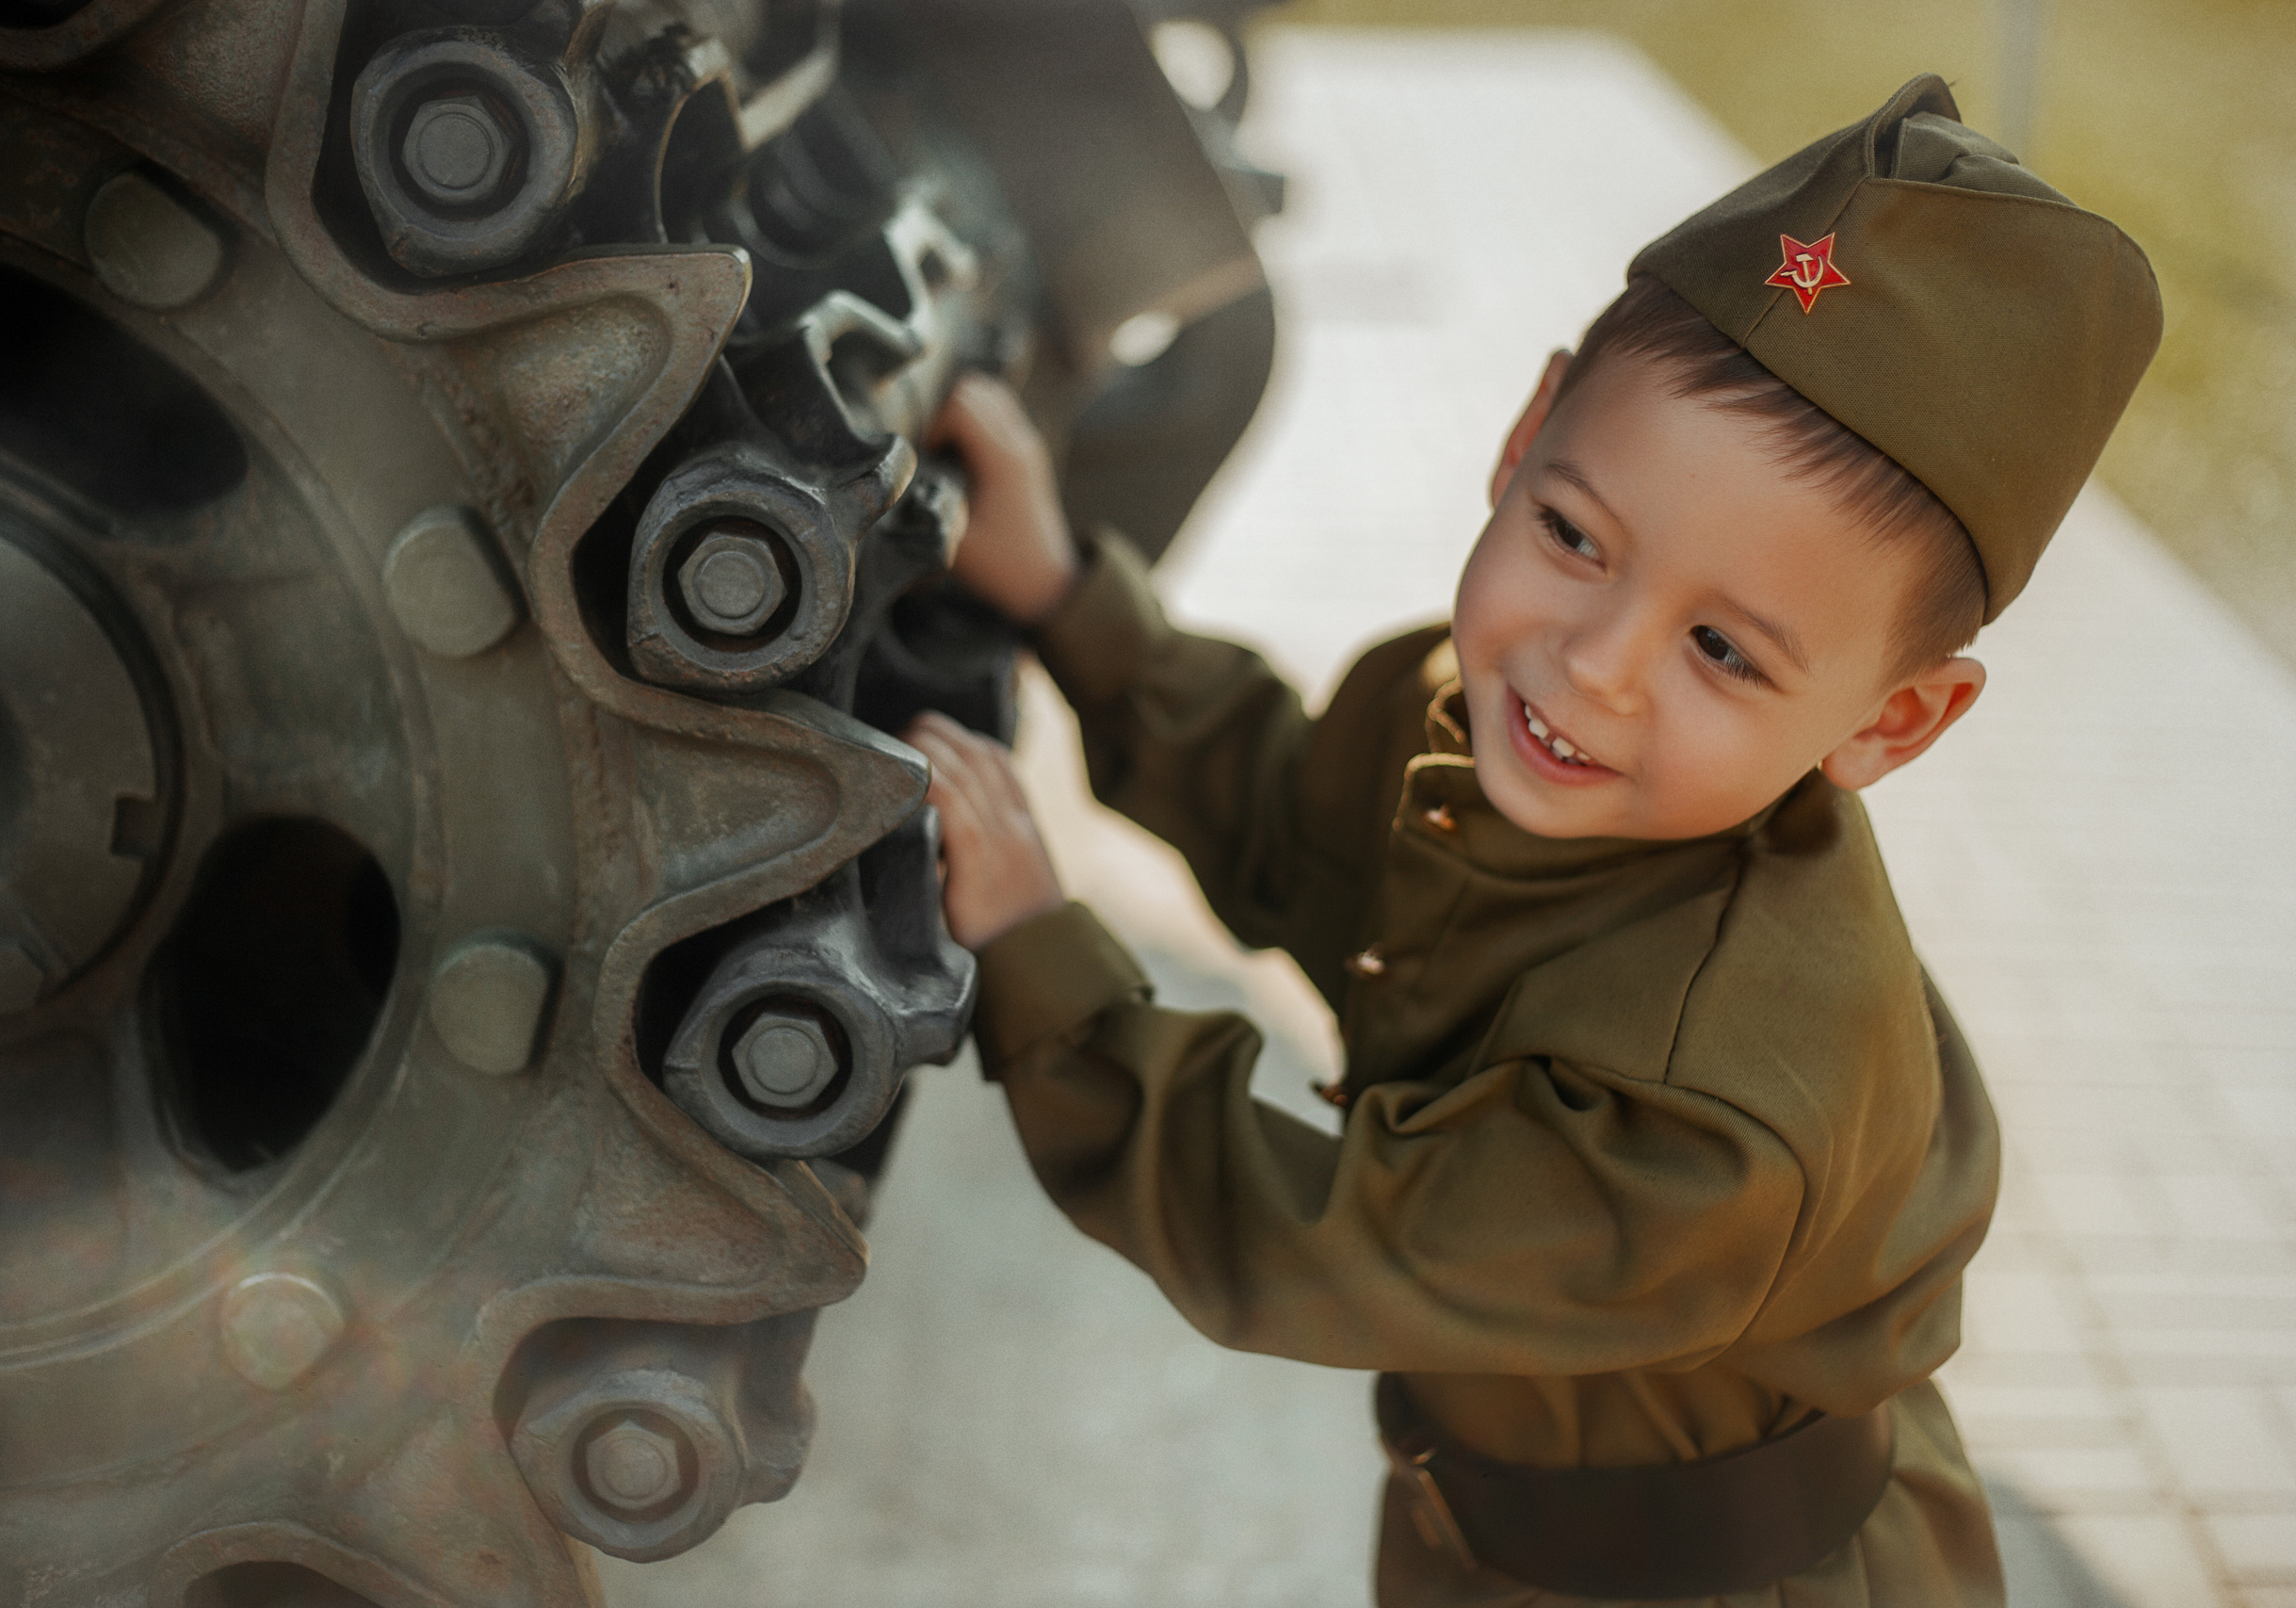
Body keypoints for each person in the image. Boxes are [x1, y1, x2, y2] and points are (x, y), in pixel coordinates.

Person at [902, 75, 2160, 1606]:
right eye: (1575, 537)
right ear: (1522, 435)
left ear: (1886, 725)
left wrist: (1048, 961)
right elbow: (1294, 817)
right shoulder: (1473, 710)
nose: (1593, 665)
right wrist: (1064, 598)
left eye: (1725, 651)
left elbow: (1304, 1231)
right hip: (1494, 1540)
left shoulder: (1705, 1111)